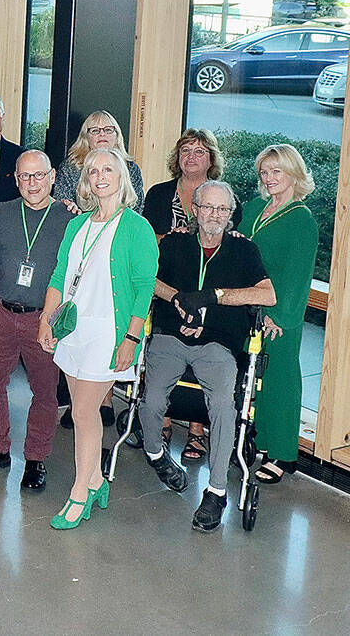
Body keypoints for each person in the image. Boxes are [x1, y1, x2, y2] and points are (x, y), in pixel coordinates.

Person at [141, 180, 276, 532]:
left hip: (218, 343)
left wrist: (213, 297)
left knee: (222, 408)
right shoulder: (174, 243)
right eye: (208, 207)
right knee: (151, 400)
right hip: (170, 335)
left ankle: (216, 492)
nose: (214, 215)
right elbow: (149, 280)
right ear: (195, 211)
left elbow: (267, 295)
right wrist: (177, 299)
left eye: (222, 209)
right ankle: (157, 455)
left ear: (230, 215)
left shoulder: (244, 251)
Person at [39, 148, 159, 529]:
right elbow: (60, 275)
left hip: (109, 332)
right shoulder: (77, 225)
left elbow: (143, 288)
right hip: (73, 330)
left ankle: (78, 494)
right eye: (93, 171)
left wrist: (131, 338)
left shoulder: (136, 227)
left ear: (122, 177)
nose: (100, 176)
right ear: (86, 181)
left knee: (82, 412)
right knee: (83, 410)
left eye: (108, 169)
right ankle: (95, 481)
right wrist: (46, 318)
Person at [0, 150, 73, 491]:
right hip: (0, 312)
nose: (32, 183)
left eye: (39, 175)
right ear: (15, 179)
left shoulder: (70, 219)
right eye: (25, 176)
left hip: (42, 318)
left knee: (44, 391)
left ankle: (35, 458)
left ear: (53, 176)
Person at [241, 144, 319, 485]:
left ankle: (282, 453)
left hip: (279, 318)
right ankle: (254, 440)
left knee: (278, 383)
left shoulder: (302, 220)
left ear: (293, 174)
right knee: (249, 380)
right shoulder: (255, 207)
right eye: (264, 172)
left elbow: (299, 276)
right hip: (248, 306)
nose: (269, 178)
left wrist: (279, 315)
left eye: (276, 171)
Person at [142, 128, 238, 236]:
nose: (191, 156)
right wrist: (170, 239)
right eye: (185, 150)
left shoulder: (226, 199)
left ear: (212, 159)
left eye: (199, 151)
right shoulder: (157, 193)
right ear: (178, 157)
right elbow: (145, 237)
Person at [54, 110, 146, 213]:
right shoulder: (70, 168)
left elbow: (137, 207)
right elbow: (61, 205)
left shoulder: (131, 168)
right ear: (86, 138)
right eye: (95, 130)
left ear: (117, 136)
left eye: (108, 130)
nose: (102, 134)